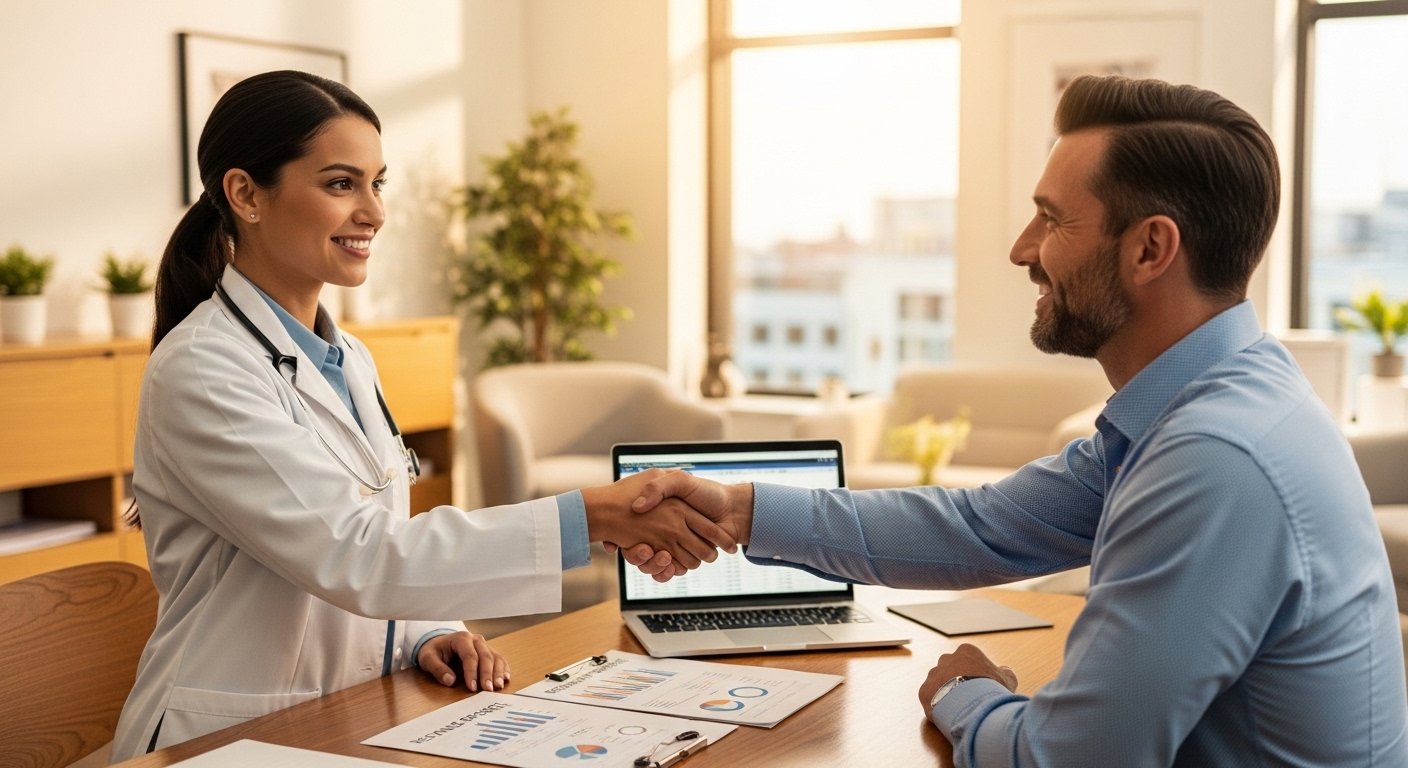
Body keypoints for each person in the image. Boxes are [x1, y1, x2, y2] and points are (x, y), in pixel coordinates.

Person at [629, 75, 1408, 766]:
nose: (1020, 249)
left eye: (1051, 219)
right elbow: (980, 527)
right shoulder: (1219, 399)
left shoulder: (1214, 458)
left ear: (1150, 249)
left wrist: (969, 695)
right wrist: (738, 509)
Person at [109, 70, 733, 761]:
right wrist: (591, 516)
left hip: (352, 711)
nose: (373, 212)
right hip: (227, 737)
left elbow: (376, 536)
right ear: (246, 194)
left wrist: (424, 632)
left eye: (378, 184)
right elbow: (355, 554)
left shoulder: (349, 358)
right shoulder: (204, 369)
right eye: (341, 184)